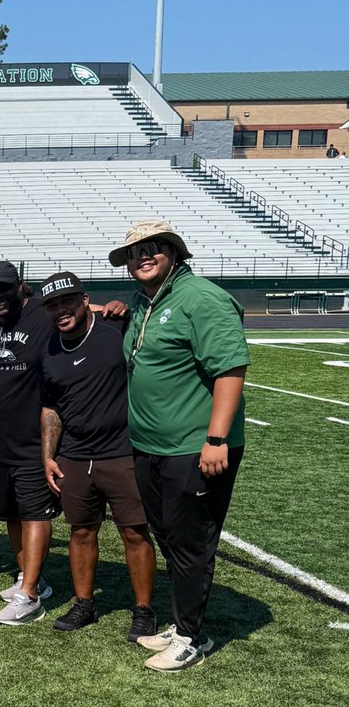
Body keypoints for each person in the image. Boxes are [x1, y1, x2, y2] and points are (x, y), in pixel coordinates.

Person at [109, 221, 250, 672]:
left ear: (174, 252)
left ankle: (191, 636)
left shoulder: (201, 298)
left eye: (152, 249)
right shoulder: (145, 301)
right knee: (167, 533)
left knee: (191, 541)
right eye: (133, 253)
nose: (141, 258)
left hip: (194, 446)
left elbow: (230, 369)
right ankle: (181, 620)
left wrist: (215, 439)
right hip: (151, 445)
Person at [39, 271, 157, 643]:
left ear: (84, 300)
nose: (61, 311)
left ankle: (143, 610)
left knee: (135, 532)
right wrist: (48, 456)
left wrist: (121, 309)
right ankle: (84, 604)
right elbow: (50, 408)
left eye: (68, 302)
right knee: (81, 531)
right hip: (74, 455)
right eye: (53, 305)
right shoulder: (49, 349)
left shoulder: (114, 329)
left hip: (121, 452)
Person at [0, 260, 57, 625]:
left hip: (31, 440)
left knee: (34, 512)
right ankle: (28, 576)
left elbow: (80, 309)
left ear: (20, 287)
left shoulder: (41, 313)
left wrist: (111, 308)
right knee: (9, 513)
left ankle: (30, 595)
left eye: (4, 289)